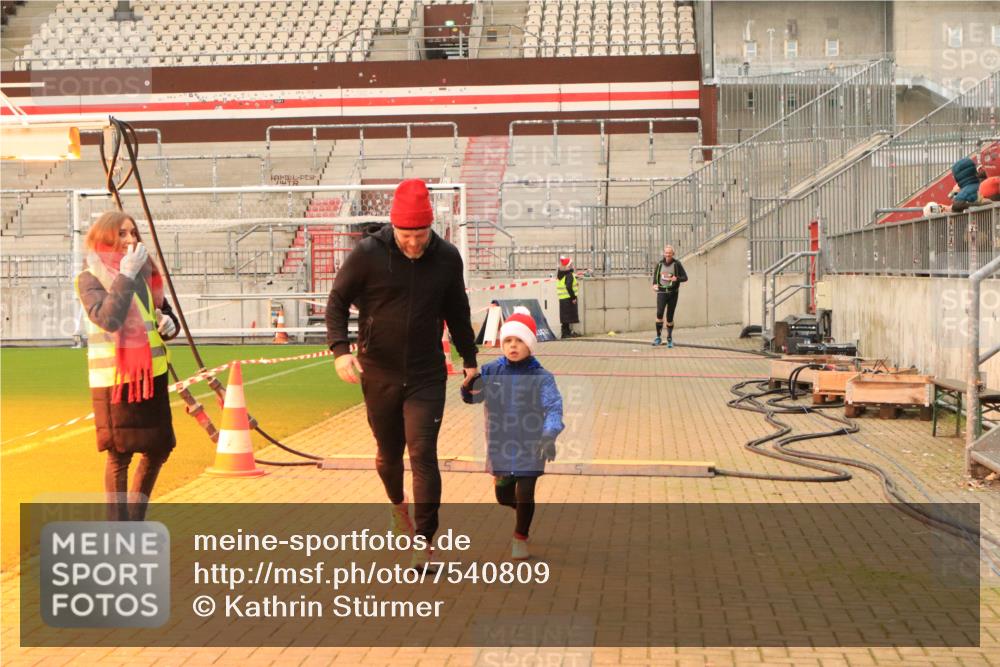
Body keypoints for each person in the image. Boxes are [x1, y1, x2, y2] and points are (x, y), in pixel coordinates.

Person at [325, 179, 478, 568]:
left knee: (423, 453)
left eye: (421, 234)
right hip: (379, 371)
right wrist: (341, 351)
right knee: (388, 456)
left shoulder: (447, 257)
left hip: (427, 373)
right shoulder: (368, 253)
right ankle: (398, 506)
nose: (414, 243)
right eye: (407, 235)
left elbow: (457, 312)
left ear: (432, 227)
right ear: (394, 227)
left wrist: (470, 359)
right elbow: (337, 301)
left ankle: (425, 541)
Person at [74, 211, 180, 522]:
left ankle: (134, 520)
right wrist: (126, 274)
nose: (130, 239)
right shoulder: (90, 277)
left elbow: (163, 312)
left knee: (159, 447)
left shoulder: (144, 274)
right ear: (105, 237)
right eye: (121, 234)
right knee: (120, 454)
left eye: (132, 232)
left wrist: (168, 323)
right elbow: (108, 318)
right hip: (115, 380)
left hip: (152, 375)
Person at [461, 307, 564, 560]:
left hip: (532, 444)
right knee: (504, 496)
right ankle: (524, 511)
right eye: (508, 340)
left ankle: (520, 536)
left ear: (530, 344)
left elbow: (553, 407)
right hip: (501, 444)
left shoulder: (543, 378)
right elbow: (474, 397)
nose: (513, 346)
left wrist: (549, 435)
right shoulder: (491, 371)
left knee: (525, 492)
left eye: (520, 340)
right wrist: (468, 384)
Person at [650, 244, 688, 347]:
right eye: (666, 253)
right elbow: (655, 276)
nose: (668, 255)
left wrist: (677, 279)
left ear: (673, 254)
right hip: (662, 292)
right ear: (664, 253)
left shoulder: (677, 264)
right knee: (659, 313)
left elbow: (685, 277)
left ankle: (669, 338)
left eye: (669, 253)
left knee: (670, 317)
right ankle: (658, 337)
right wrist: (654, 285)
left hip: (673, 293)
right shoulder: (659, 264)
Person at [556, 255, 580, 339]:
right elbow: (569, 287)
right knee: (568, 317)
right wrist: (573, 298)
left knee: (565, 318)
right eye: (571, 264)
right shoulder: (569, 275)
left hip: (563, 299)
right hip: (568, 298)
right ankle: (566, 333)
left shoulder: (560, 275)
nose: (572, 265)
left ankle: (566, 332)